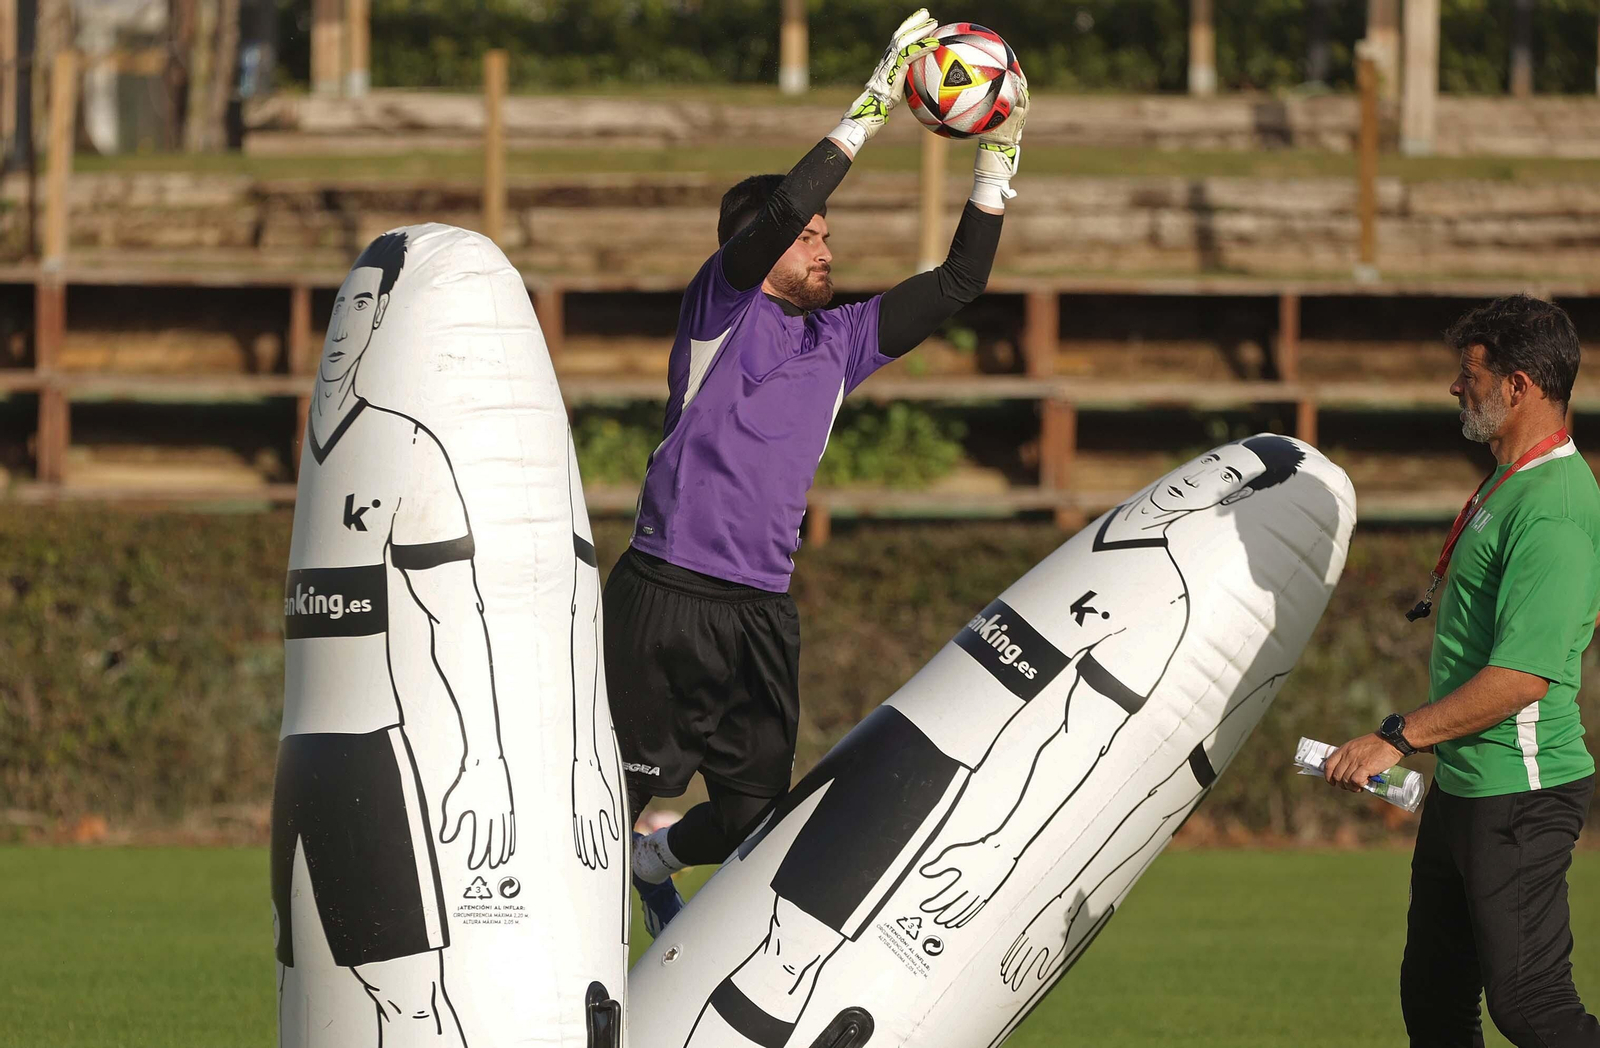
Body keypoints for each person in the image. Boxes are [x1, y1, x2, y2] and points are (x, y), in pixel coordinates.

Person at [604, 7, 1028, 935]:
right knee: (593, 810)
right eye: (809, 237)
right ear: (759, 246)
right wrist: (873, 106)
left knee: (758, 817)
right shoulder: (718, 307)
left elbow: (959, 283)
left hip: (758, 607)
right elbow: (781, 212)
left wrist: (998, 156)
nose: (824, 246)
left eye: (827, 235)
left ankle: (658, 855)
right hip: (663, 594)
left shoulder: (842, 341)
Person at [676, 437, 1306, 1048]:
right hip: (887, 736)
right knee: (769, 922)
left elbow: (1080, 737)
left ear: (1230, 510)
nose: (1203, 479)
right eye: (1216, 463)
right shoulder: (1102, 545)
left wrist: (999, 847)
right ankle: (655, 861)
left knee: (789, 957)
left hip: (928, 776)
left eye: (1228, 481)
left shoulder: (1165, 602)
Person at [1324, 294, 1600, 1047]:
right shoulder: (1510, 482)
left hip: (1522, 788)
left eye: (1468, 372)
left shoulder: (1552, 506)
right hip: (1470, 784)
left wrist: (1397, 737)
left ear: (1519, 386)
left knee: (1531, 1007)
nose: (1456, 386)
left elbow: (1522, 677)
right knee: (1436, 1003)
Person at [273, 231, 515, 1048]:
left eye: (365, 309)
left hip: (364, 756)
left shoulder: (407, 444)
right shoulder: (307, 446)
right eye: (341, 305)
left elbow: (458, 612)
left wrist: (484, 757)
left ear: (381, 325)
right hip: (296, 755)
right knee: (313, 990)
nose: (348, 323)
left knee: (408, 996)